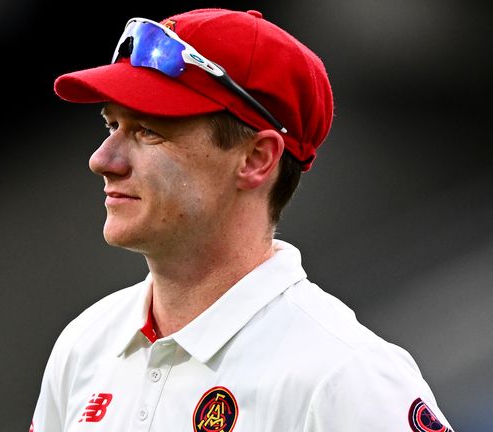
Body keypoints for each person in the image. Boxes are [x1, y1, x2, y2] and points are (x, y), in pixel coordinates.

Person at [31, 8, 453, 432]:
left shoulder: (345, 377)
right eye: (111, 125)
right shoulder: (83, 345)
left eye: (147, 131)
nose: (102, 160)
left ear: (256, 159)